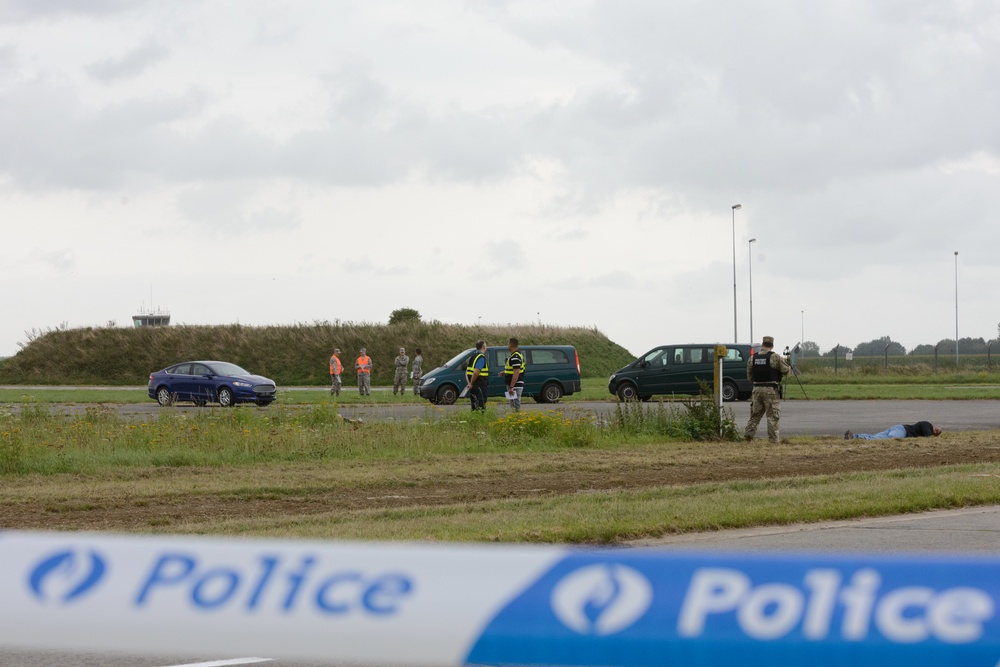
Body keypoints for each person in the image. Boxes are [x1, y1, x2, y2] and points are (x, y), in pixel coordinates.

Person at [743, 335, 791, 443]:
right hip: (770, 390)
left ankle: (748, 437)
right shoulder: (775, 357)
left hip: (756, 389)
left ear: (762, 344)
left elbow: (749, 377)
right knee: (773, 416)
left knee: (755, 415)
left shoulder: (753, 358)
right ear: (772, 346)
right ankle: (773, 440)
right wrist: (787, 363)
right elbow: (786, 371)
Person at [501, 337, 525, 412]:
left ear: (511, 345)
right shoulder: (516, 355)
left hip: (515, 384)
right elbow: (514, 369)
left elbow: (516, 372)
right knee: (513, 404)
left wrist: (511, 387)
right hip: (514, 384)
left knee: (515, 404)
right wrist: (504, 372)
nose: (507, 345)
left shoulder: (515, 357)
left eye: (508, 344)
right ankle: (515, 419)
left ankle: (517, 420)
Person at [846, 422, 942, 440]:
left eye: (937, 433)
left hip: (897, 428)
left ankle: (854, 436)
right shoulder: (927, 425)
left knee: (874, 435)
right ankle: (863, 439)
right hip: (902, 431)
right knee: (888, 439)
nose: (936, 431)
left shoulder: (928, 429)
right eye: (937, 429)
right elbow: (928, 438)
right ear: (934, 426)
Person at [465, 339, 489, 411]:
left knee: (474, 406)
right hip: (480, 385)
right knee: (481, 406)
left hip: (473, 386)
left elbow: (467, 372)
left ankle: (475, 420)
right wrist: (471, 383)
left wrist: (469, 383)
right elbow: (476, 372)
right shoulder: (481, 357)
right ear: (483, 347)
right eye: (486, 346)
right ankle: (480, 421)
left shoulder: (472, 357)